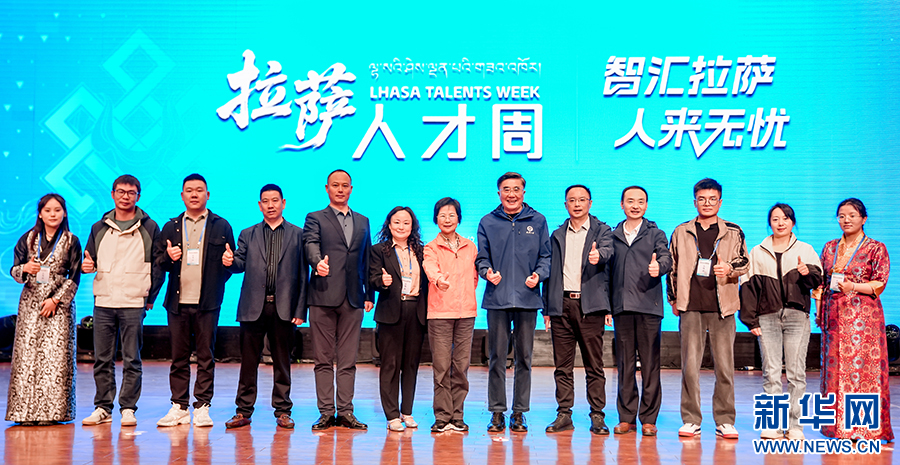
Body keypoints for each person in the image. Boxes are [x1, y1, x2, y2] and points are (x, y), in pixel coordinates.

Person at [667, 178, 748, 439]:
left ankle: (725, 420)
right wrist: (673, 299)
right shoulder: (681, 231)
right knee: (690, 367)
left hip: (722, 307)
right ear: (695, 202)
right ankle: (691, 419)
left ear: (720, 202)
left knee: (724, 367)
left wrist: (729, 268)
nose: (707, 203)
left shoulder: (733, 231)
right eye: (702, 199)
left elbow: (745, 262)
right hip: (690, 306)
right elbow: (672, 267)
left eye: (712, 199)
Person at [154, 173, 235, 427]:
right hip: (177, 303)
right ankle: (179, 406)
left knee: (205, 356)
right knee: (178, 357)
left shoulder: (222, 226)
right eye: (189, 190)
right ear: (182, 195)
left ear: (207, 195)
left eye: (199, 190)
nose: (194, 194)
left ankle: (202, 406)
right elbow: (159, 263)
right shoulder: (171, 227)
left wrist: (223, 272)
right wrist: (168, 257)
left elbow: (230, 263)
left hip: (207, 303)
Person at [224, 184, 307, 430]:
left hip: (284, 308)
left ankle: (283, 411)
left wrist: (300, 310)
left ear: (283, 203)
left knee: (282, 362)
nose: (270, 205)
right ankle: (243, 410)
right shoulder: (247, 234)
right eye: (265, 201)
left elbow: (303, 276)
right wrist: (229, 261)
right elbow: (239, 264)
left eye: (275, 200)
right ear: (260, 205)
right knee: (249, 362)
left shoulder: (298, 234)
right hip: (253, 307)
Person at [80, 175, 162, 427]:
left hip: (134, 301)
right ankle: (103, 407)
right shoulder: (99, 227)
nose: (125, 196)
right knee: (102, 359)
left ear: (138, 196)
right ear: (113, 194)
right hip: (104, 300)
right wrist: (86, 266)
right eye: (121, 191)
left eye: (131, 192)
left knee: (131, 359)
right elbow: (89, 260)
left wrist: (150, 296)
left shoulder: (150, 227)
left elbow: (158, 265)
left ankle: (128, 408)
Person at [739, 203, 823, 441]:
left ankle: (796, 426)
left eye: (785, 218)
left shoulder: (805, 249)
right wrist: (750, 320)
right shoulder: (757, 251)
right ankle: (772, 425)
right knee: (771, 372)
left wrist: (807, 273)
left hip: (797, 316)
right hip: (767, 317)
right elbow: (748, 287)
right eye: (775, 219)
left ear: (792, 222)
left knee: (797, 373)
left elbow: (817, 282)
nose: (780, 223)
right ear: (770, 223)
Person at [476, 172, 551, 433]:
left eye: (516, 189)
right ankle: (497, 411)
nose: (511, 194)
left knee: (524, 358)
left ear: (523, 192)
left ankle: (519, 412)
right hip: (497, 298)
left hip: (527, 299)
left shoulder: (538, 220)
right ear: (499, 193)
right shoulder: (488, 221)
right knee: (497, 357)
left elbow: (546, 257)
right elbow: (481, 258)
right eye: (506, 189)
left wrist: (538, 275)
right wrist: (487, 272)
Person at [815, 198, 892, 442]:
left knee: (862, 370)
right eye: (841, 216)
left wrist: (853, 287)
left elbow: (879, 283)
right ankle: (835, 427)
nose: (846, 220)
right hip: (833, 316)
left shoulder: (876, 248)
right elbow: (821, 283)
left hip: (864, 319)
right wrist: (819, 311)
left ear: (863, 219)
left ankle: (863, 428)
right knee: (834, 370)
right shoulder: (829, 247)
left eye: (852, 215)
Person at [303, 169, 374, 431]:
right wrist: (317, 262)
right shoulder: (315, 218)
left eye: (345, 185)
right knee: (322, 360)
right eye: (335, 185)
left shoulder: (363, 221)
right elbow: (310, 244)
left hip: (353, 298)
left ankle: (345, 411)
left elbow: (366, 259)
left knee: (348, 360)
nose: (340, 189)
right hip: (322, 295)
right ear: (327, 188)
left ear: (351, 189)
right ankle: (325, 412)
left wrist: (369, 294)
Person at [543, 185, 613, 435]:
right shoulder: (557, 235)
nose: (577, 204)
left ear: (590, 203)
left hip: (590, 306)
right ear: (565, 205)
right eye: (572, 200)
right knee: (562, 366)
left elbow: (608, 252)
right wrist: (547, 308)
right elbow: (550, 273)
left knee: (594, 365)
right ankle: (564, 414)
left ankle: (597, 415)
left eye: (582, 200)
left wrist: (599, 256)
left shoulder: (602, 230)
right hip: (561, 305)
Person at [6, 193, 82, 425]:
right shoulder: (28, 239)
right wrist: (24, 269)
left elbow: (75, 277)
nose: (52, 214)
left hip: (58, 307)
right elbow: (14, 271)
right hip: (30, 304)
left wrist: (56, 300)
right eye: (48, 210)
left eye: (57, 210)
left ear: (64, 213)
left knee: (54, 359)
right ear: (40, 213)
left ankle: (52, 413)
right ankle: (23, 413)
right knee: (26, 357)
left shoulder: (71, 241)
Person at [609, 186, 672, 437]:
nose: (635, 206)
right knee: (624, 365)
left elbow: (666, 258)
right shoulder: (613, 235)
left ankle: (648, 419)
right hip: (622, 307)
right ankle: (626, 417)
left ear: (646, 205)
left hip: (648, 307)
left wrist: (660, 268)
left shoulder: (656, 233)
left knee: (650, 365)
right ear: (622, 204)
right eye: (630, 201)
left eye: (641, 201)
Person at [369, 207, 428, 432]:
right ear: (389, 225)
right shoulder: (379, 250)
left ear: (412, 226)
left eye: (406, 223)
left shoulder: (422, 251)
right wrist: (381, 281)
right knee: (390, 365)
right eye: (397, 222)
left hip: (416, 310)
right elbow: (372, 278)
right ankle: (392, 415)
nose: (401, 226)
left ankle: (407, 411)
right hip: (390, 312)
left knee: (411, 364)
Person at [423, 197, 478, 433]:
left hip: (466, 314)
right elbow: (430, 268)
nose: (447, 219)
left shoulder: (470, 246)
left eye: (451, 215)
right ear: (436, 219)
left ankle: (457, 415)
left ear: (459, 218)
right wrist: (439, 280)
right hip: (440, 313)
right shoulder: (430, 247)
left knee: (461, 366)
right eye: (442, 215)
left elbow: (474, 278)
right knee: (442, 367)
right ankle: (442, 416)